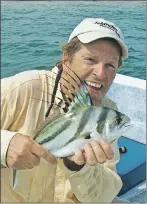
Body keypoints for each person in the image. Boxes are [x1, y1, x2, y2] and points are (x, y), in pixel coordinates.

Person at [1, 18, 129, 203]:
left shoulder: (107, 112)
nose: (101, 73)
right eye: (90, 59)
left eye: (110, 65)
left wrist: (80, 168)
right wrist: (4, 145)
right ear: (66, 59)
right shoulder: (23, 88)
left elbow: (103, 197)